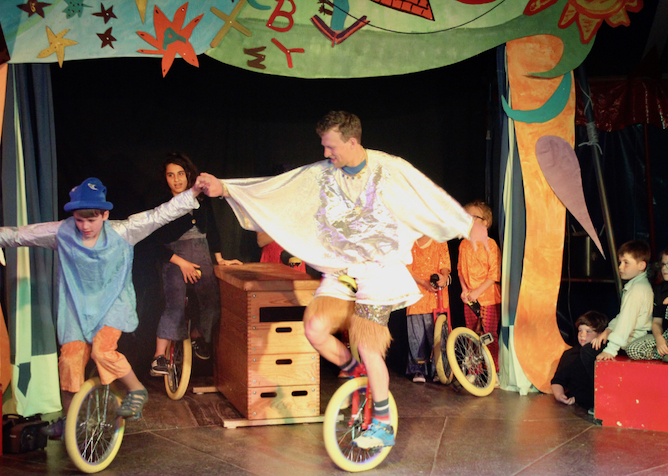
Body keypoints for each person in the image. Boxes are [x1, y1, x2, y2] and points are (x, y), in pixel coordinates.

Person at [196, 111, 489, 449]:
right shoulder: (323, 173)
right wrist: (226, 189)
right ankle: (355, 370)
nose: (325, 154)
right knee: (314, 328)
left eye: (331, 147)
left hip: (379, 269)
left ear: (352, 142)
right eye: (323, 146)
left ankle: (382, 423)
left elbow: (427, 194)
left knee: (367, 344)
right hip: (343, 269)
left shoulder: (389, 169)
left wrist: (467, 224)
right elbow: (279, 189)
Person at [0, 177, 204, 438]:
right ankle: (70, 420)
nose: (85, 226)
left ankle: (136, 390)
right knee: (69, 361)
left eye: (92, 219)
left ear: (105, 214)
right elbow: (19, 235)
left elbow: (160, 215)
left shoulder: (123, 231)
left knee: (102, 351)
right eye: (79, 220)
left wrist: (193, 192)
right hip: (76, 308)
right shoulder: (62, 232)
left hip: (113, 304)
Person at [147, 152, 242, 377]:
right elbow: (153, 244)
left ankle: (198, 337)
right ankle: (159, 357)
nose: (176, 179)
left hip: (201, 255)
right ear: (165, 178)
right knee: (174, 304)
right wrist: (182, 264)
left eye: (180, 174)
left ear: (188, 174)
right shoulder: (161, 205)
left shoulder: (201, 200)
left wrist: (220, 258)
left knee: (212, 302)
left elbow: (212, 231)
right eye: (171, 175)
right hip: (175, 259)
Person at [578, 240, 653, 411]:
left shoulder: (638, 290)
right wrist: (608, 330)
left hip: (633, 340)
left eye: (626, 263)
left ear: (641, 265)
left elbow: (627, 323)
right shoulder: (635, 286)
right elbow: (622, 316)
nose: (621, 267)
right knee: (590, 349)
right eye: (620, 262)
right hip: (626, 338)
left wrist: (610, 349)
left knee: (589, 352)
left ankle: (606, 401)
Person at [457, 200, 502, 375]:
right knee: (472, 334)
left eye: (473, 217)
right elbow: (461, 270)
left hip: (488, 298)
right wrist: (464, 290)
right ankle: (474, 371)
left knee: (488, 335)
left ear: (485, 222)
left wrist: (477, 292)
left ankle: (492, 371)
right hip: (470, 298)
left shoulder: (491, 245)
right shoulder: (464, 245)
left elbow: (494, 274)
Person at [405, 235, 452, 383]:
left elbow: (445, 264)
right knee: (416, 335)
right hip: (416, 293)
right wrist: (423, 283)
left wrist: (444, 277)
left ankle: (440, 370)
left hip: (436, 295)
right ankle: (418, 370)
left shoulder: (439, 239)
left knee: (438, 335)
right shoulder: (410, 242)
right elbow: (407, 269)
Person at [551, 311, 608, 408]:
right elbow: (558, 381)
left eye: (588, 331)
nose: (582, 334)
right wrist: (559, 395)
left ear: (600, 334)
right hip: (577, 406)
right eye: (580, 330)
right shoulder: (570, 354)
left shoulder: (604, 355)